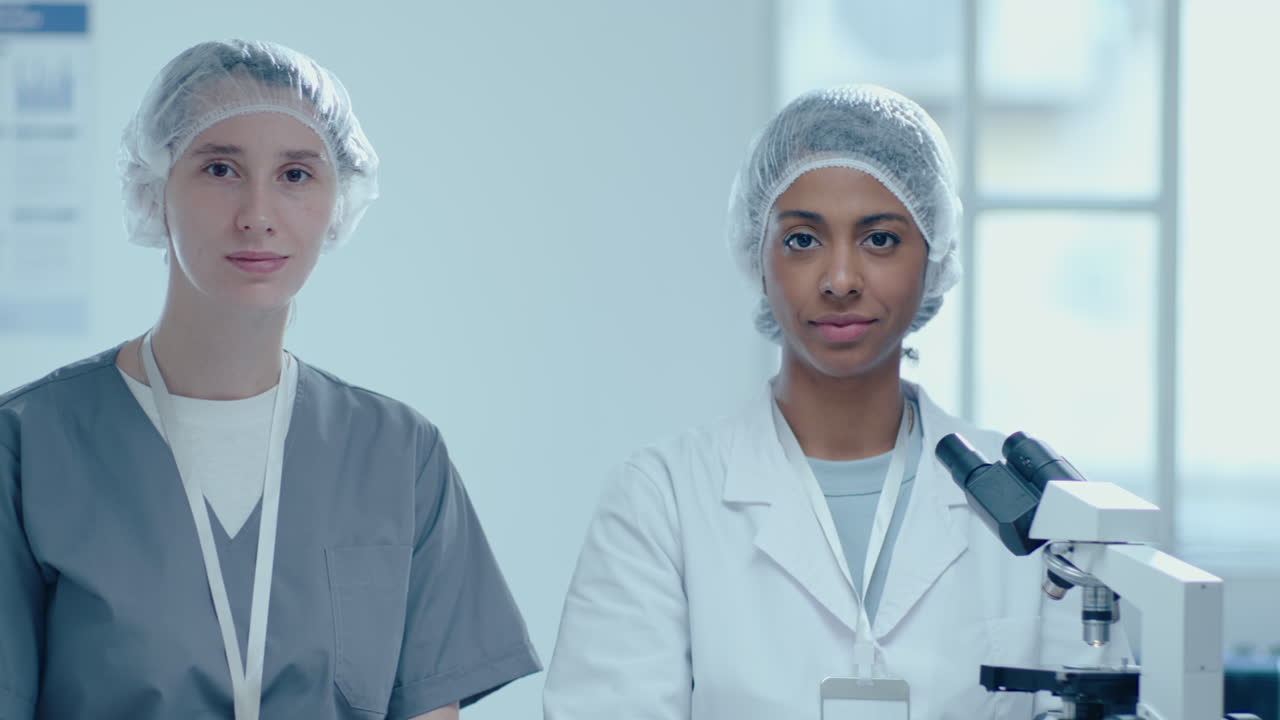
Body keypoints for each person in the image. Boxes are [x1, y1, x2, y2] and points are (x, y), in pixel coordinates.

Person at [543, 85, 1122, 719]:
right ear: (756, 258)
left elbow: (1094, 691)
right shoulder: (663, 498)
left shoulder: (1034, 502)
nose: (841, 279)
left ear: (933, 257)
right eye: (801, 240)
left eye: (880, 240)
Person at [0, 39, 539, 720]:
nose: (258, 213)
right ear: (154, 188)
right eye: (220, 168)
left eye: (295, 174)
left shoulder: (399, 456)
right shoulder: (28, 447)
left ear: (339, 199)